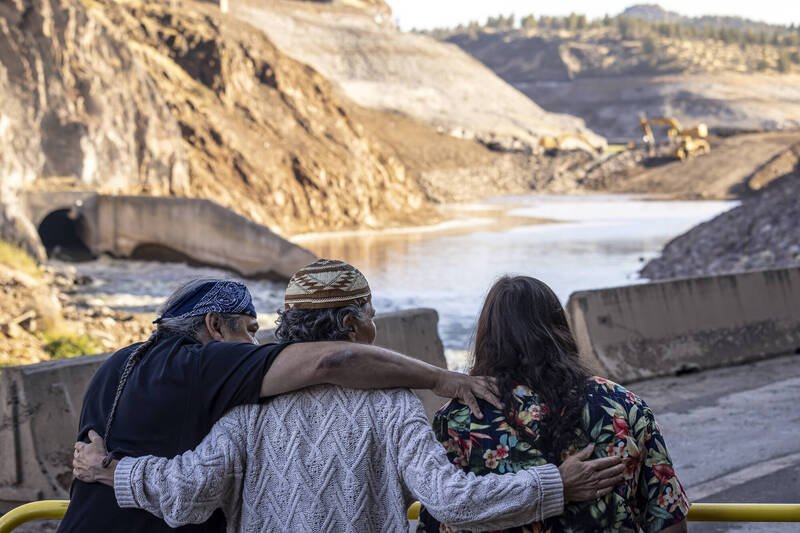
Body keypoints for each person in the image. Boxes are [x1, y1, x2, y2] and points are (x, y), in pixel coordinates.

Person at [73, 260, 624, 531]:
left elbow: (188, 489)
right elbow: (451, 499)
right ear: (351, 325)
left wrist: (111, 471)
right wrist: (555, 484)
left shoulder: (247, 407)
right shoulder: (391, 404)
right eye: (370, 314)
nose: (374, 325)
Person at [419, 275, 690, 533]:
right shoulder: (624, 405)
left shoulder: (459, 418)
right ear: (560, 328)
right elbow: (667, 517)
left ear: (487, 338)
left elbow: (440, 518)